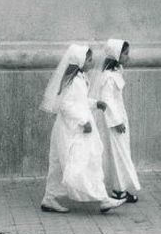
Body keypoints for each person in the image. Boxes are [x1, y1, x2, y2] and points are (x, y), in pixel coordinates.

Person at [39, 44, 125, 213]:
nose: (92, 62)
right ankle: (102, 198)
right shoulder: (72, 81)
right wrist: (82, 121)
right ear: (80, 60)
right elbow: (65, 104)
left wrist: (95, 103)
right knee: (86, 161)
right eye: (89, 59)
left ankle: (49, 198)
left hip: (72, 127)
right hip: (74, 129)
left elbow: (80, 101)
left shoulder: (79, 78)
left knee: (61, 164)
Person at [91, 39, 140, 202]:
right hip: (113, 121)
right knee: (118, 154)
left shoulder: (116, 73)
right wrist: (116, 121)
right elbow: (107, 101)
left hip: (119, 118)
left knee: (121, 153)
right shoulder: (108, 77)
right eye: (125, 54)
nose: (128, 57)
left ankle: (121, 188)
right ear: (117, 55)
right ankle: (119, 190)